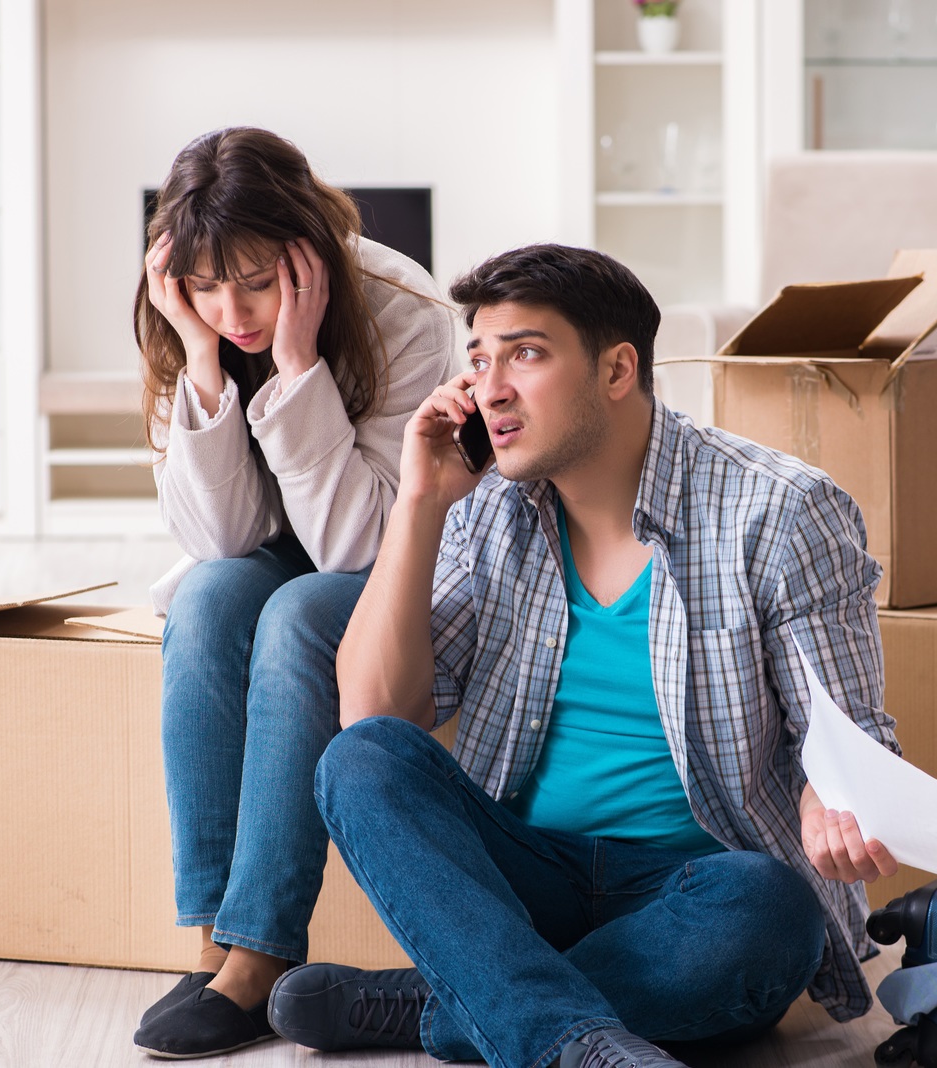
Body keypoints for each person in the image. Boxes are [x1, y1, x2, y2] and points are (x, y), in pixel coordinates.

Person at [267, 244, 901, 1068]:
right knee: (361, 760)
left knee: (770, 906)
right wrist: (418, 500)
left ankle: (452, 1004)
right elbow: (377, 713)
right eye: (480, 359)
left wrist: (831, 796)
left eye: (526, 354)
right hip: (528, 887)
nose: (491, 387)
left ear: (616, 369)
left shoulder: (779, 511)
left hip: (697, 898)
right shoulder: (487, 509)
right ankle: (573, 1042)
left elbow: (845, 728)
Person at [130, 127, 455, 1059]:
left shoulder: (404, 309)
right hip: (282, 549)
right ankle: (214, 939)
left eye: (256, 282)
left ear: (303, 256)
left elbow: (362, 545)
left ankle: (262, 951)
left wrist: (301, 367)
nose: (233, 310)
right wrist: (199, 358)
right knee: (206, 600)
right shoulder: (187, 320)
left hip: (403, 562)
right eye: (203, 284)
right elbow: (221, 538)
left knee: (297, 615)